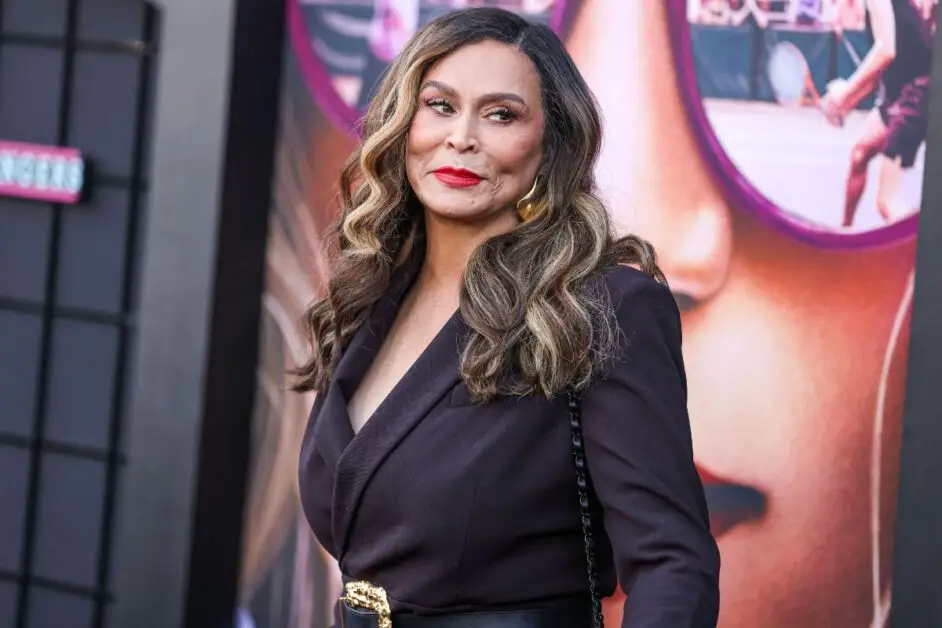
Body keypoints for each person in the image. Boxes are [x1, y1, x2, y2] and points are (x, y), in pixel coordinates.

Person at [294, 7, 720, 628]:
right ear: (402, 122)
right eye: (440, 105)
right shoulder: (368, 298)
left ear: (550, 147)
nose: (461, 137)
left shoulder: (602, 306)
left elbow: (672, 563)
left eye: (500, 115)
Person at [821, 0, 936, 228]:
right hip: (900, 93)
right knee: (860, 153)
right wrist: (846, 102)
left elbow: (885, 52)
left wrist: (844, 94)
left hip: (915, 98)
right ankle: (845, 232)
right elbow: (880, 71)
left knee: (886, 201)